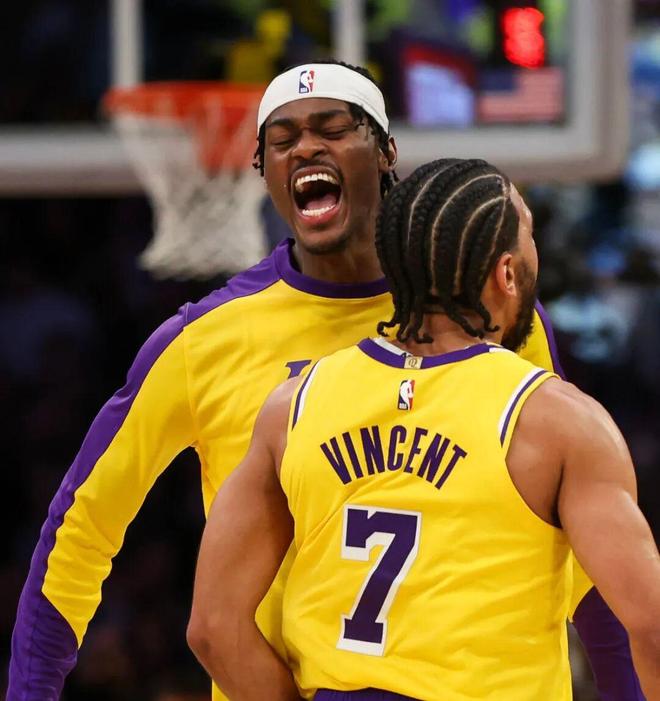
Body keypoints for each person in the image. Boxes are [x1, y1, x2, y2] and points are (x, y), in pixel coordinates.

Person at [7, 63, 641, 700]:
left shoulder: (496, 314)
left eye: (333, 129)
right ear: (261, 170)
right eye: (282, 141)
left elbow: (587, 558)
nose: (306, 148)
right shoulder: (202, 342)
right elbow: (80, 530)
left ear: (386, 151)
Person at [187, 158, 660, 701]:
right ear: (507, 273)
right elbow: (649, 625)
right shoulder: (556, 421)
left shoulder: (293, 405)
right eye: (529, 234)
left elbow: (213, 627)